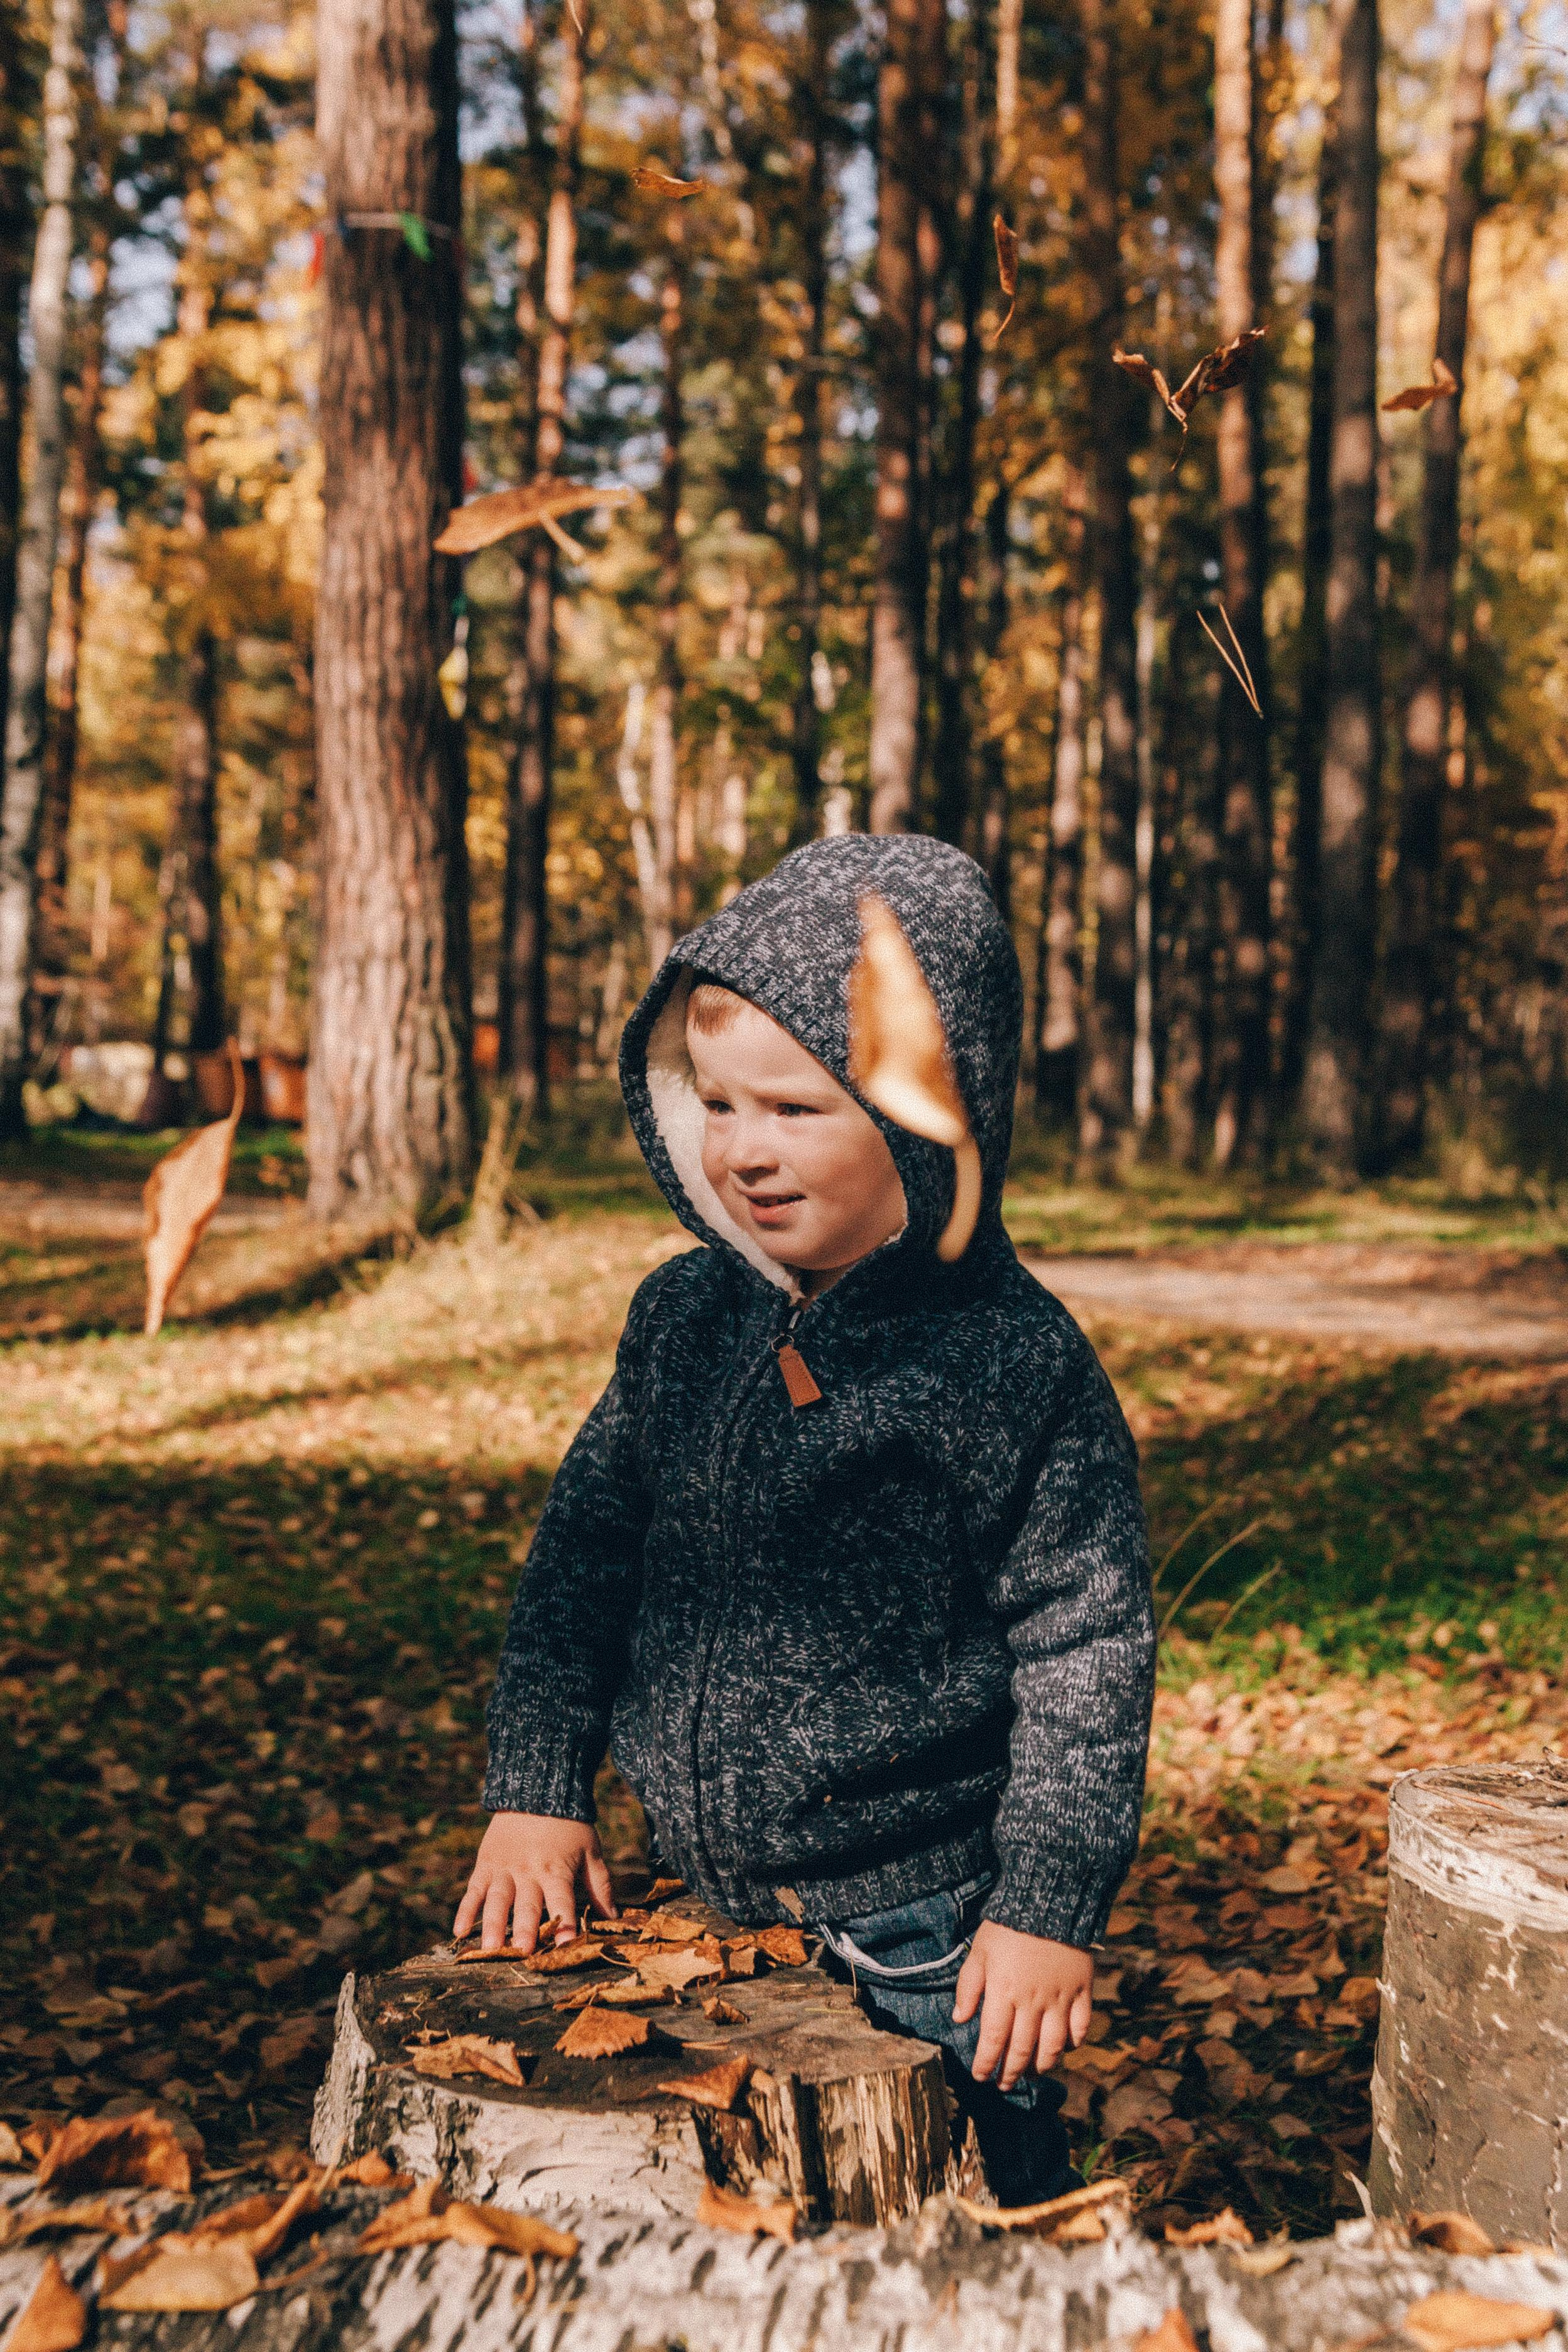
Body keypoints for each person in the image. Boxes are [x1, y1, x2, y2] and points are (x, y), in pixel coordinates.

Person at [456, 834, 1154, 2204]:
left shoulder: (1009, 1363)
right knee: (724, 2216)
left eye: (794, 1109)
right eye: (716, 1103)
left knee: (972, 2208)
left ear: (925, 1123)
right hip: (696, 1910)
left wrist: (1046, 1909)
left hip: (930, 1928)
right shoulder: (682, 1322)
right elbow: (583, 1561)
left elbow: (1089, 1643)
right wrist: (538, 1787)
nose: (744, 1152)